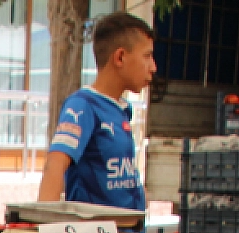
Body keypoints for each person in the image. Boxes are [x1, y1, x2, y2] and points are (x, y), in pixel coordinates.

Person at [38, 12, 154, 209]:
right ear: (120, 57)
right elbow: (54, 166)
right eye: (147, 56)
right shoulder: (82, 105)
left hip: (127, 228)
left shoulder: (122, 109)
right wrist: (42, 222)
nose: (153, 67)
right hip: (95, 229)